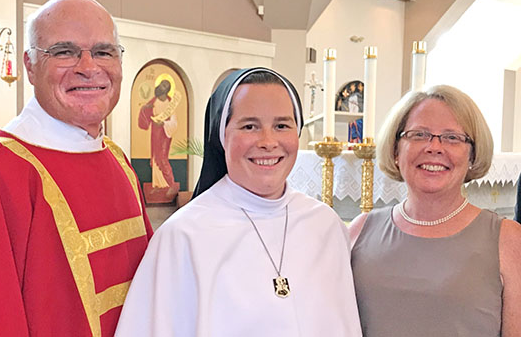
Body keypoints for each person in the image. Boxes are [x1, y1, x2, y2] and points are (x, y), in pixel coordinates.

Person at [0, 0, 152, 337]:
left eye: (104, 51)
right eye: (64, 51)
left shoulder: (117, 161)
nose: (89, 67)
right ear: (29, 65)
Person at [115, 67, 362, 336]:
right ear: (222, 136)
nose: (268, 142)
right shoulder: (182, 237)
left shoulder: (325, 225)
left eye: (281, 125)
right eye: (249, 126)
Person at [349, 85, 521, 336]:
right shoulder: (359, 232)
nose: (434, 147)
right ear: (396, 150)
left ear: (472, 155)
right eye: (419, 134)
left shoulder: (508, 240)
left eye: (452, 137)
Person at [138, 78, 179, 198]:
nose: (162, 87)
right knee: (155, 157)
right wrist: (145, 109)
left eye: (165, 86)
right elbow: (147, 112)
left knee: (162, 157)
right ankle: (158, 185)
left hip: (165, 132)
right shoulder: (154, 101)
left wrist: (164, 124)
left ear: (167, 90)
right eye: (161, 85)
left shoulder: (170, 103)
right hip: (155, 131)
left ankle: (170, 184)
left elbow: (174, 122)